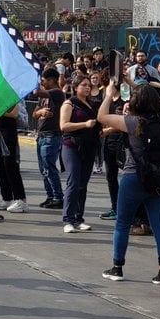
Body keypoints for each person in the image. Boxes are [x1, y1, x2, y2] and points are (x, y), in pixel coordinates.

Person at [97, 83, 160, 286]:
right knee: (159, 225)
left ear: (134, 103)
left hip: (133, 177)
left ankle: (117, 267)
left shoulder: (132, 122)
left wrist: (108, 95)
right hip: (159, 178)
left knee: (122, 223)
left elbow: (102, 117)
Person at [59, 74, 101, 233]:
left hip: (89, 147)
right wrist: (85, 124)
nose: (87, 87)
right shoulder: (69, 104)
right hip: (71, 146)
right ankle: (67, 219)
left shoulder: (91, 104)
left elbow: (96, 126)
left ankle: (78, 218)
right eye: (84, 85)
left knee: (82, 184)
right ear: (75, 87)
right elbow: (63, 125)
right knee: (73, 182)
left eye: (89, 85)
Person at [32, 67, 66, 209]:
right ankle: (50, 195)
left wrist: (32, 80)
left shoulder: (57, 93)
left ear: (51, 81)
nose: (42, 83)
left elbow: (36, 92)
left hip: (52, 136)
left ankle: (58, 196)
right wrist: (40, 111)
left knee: (49, 168)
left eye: (43, 81)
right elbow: (34, 114)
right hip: (41, 136)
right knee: (43, 169)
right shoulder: (44, 97)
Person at [98, 83, 126, 220]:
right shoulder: (107, 101)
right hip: (108, 143)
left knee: (128, 178)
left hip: (122, 144)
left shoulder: (124, 101)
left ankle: (128, 210)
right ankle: (115, 207)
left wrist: (109, 129)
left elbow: (124, 122)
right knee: (111, 177)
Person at [0, 102, 28, 213]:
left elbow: (14, 113)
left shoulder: (10, 95)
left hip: (8, 132)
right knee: (0, 166)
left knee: (10, 165)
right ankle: (7, 198)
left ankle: (20, 199)